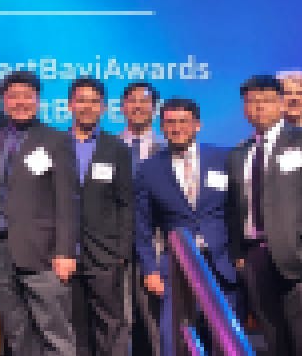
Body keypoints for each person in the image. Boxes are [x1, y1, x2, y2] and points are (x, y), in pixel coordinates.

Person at [227, 75, 302, 356]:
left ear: (282, 104)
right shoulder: (238, 153)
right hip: (256, 260)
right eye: (251, 102)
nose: (259, 108)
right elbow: (234, 209)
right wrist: (239, 255)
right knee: (275, 343)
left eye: (267, 101)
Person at [134, 98, 237, 356]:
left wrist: (240, 257)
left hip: (223, 266)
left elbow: (239, 210)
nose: (177, 128)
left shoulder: (224, 158)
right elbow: (142, 226)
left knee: (225, 341)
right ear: (162, 126)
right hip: (175, 269)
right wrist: (150, 269)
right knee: (175, 340)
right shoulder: (149, 169)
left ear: (197, 125)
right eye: (170, 122)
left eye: (183, 121)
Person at [0, 70, 80, 356]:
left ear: (38, 100)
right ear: (4, 100)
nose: (21, 102)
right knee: (16, 332)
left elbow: (68, 200)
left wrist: (66, 251)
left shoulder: (56, 140)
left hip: (43, 252)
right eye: (14, 96)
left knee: (55, 331)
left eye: (27, 96)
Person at [67, 77, 135, 356]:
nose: (87, 107)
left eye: (94, 102)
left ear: (104, 108)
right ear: (70, 105)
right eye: (81, 100)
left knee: (110, 326)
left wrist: (121, 251)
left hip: (105, 254)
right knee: (73, 327)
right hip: (65, 253)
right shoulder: (56, 144)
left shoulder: (116, 148)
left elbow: (125, 203)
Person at [119, 82, 163, 355]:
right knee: (121, 322)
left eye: (144, 101)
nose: (138, 106)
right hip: (116, 248)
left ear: (154, 108)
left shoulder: (168, 147)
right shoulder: (108, 146)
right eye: (132, 101)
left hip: (158, 248)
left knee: (158, 323)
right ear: (122, 107)